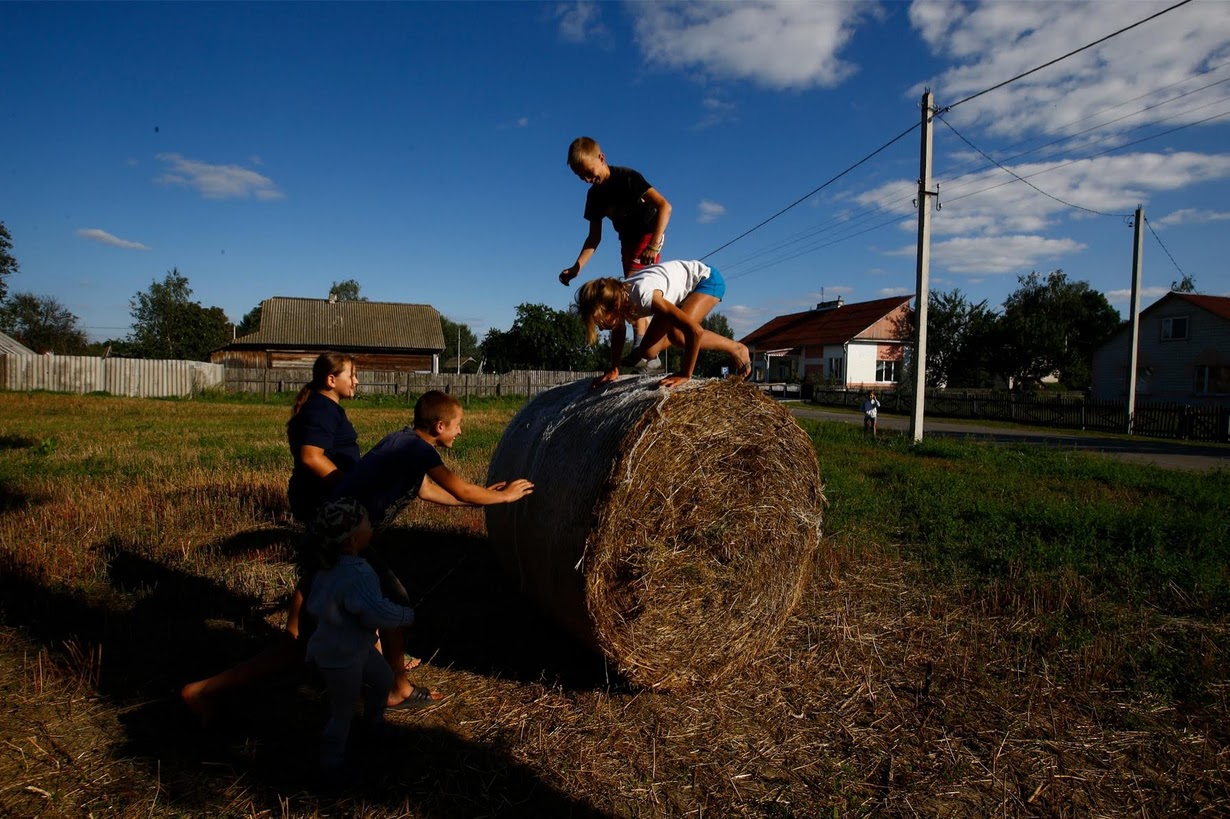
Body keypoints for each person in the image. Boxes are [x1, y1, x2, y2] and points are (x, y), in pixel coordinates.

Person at [326, 389, 534, 706]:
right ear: (439, 426)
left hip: (339, 532)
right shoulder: (418, 451)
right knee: (393, 601)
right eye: (457, 424)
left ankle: (371, 673)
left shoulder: (403, 441)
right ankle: (395, 689)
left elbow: (428, 491)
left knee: (365, 602)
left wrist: (476, 498)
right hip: (345, 537)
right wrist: (504, 497)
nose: (461, 430)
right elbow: (459, 488)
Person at [303, 498, 415, 779]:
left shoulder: (326, 566)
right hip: (340, 656)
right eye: (367, 522)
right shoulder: (358, 573)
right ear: (353, 539)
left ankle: (374, 722)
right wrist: (403, 615)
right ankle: (331, 766)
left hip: (355, 647)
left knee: (382, 679)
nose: (371, 525)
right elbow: (374, 613)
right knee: (342, 713)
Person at [558, 136, 672, 370]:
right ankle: (650, 349)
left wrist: (654, 244)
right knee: (630, 292)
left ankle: (642, 348)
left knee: (630, 288)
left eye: (589, 173)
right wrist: (577, 267)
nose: (588, 180)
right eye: (581, 177)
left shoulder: (628, 178)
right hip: (627, 241)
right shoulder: (594, 196)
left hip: (648, 235)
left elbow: (664, 206)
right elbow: (594, 238)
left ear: (601, 158)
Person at [577, 259, 751, 390]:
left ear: (613, 307)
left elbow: (695, 331)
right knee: (648, 351)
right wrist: (614, 368)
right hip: (673, 296)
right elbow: (619, 329)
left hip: (705, 280)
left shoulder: (644, 297)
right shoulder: (619, 297)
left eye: (599, 321)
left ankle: (737, 348)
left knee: (680, 335)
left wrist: (685, 374)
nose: (600, 328)